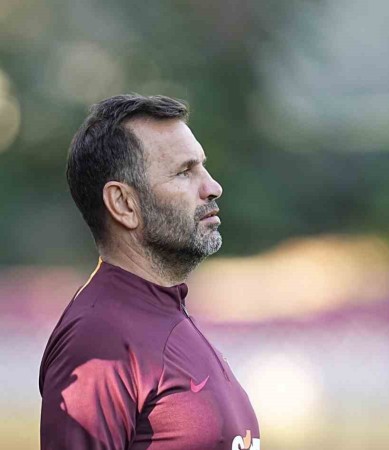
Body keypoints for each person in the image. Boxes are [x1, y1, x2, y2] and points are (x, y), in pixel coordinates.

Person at [39, 94, 260, 450]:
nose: (212, 187)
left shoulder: (164, 314)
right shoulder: (100, 338)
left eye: (202, 167)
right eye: (184, 172)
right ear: (124, 204)